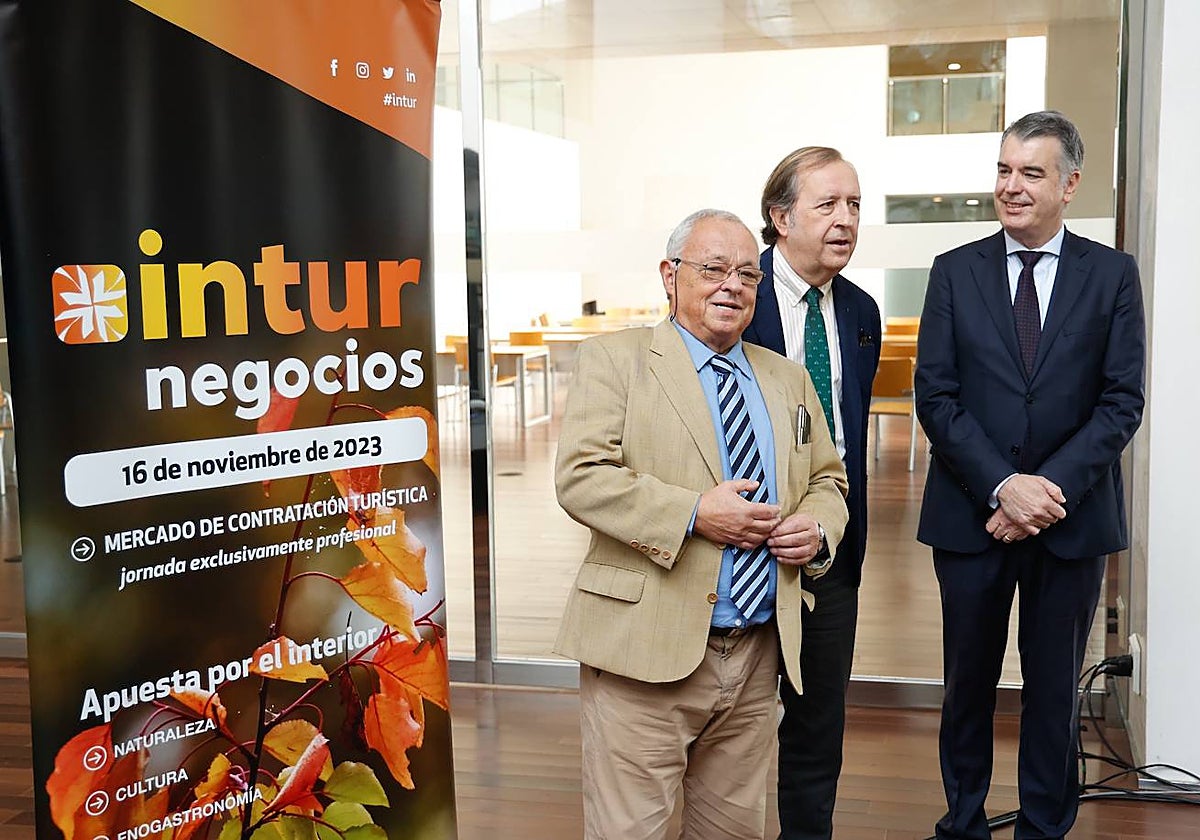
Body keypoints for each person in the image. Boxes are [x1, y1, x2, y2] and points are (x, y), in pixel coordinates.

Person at [554, 208, 850, 840]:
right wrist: (693, 513)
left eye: (747, 273)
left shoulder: (787, 378)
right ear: (671, 275)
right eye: (713, 269)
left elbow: (829, 479)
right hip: (643, 652)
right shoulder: (615, 360)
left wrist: (816, 527)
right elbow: (581, 477)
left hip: (757, 657)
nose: (732, 286)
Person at [914, 111, 1145, 840]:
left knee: (1053, 693)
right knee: (967, 687)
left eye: (1031, 173)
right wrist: (1002, 486)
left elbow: (1121, 400)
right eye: (1004, 170)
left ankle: (1045, 828)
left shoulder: (1112, 274)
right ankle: (963, 823)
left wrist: (1044, 492)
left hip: (1070, 522)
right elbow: (936, 395)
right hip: (971, 516)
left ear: (1069, 185)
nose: (1011, 187)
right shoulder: (954, 271)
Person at [743, 146, 881, 840]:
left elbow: (846, 439)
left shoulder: (861, 311)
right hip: (739, 545)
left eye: (853, 204)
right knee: (729, 725)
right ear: (780, 217)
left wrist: (829, 521)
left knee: (817, 724)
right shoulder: (735, 295)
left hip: (829, 547)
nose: (845, 219)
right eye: (827, 204)